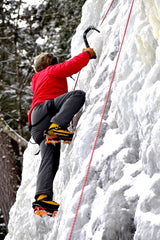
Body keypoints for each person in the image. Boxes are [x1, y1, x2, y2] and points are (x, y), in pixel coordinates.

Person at [28, 47, 96, 216]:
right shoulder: (50, 70)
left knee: (50, 160)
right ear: (49, 64)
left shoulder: (36, 79)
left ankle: (43, 198)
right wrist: (87, 54)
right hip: (47, 110)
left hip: (36, 124)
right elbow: (70, 66)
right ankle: (56, 126)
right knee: (78, 95)